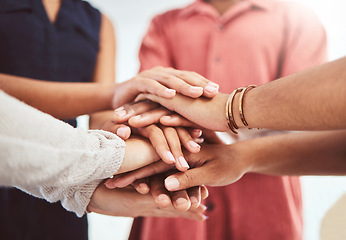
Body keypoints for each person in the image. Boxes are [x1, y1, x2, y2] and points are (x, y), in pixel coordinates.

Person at [0, 0, 217, 239]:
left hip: (70, 179)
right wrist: (114, 96)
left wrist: (142, 132)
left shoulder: (100, 22)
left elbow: (102, 120)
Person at [112, 0, 327, 239]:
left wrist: (220, 115)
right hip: (171, 207)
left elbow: (308, 115)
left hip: (265, 208)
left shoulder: (297, 19)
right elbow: (149, 104)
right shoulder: (165, 24)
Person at [0, 89, 208, 221]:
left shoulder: (100, 25)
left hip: (67, 189)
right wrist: (141, 150)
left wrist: (123, 131)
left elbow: (104, 116)